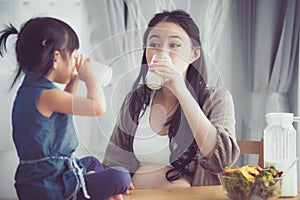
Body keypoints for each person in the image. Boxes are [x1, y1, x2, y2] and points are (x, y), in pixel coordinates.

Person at [103, 10, 240, 189]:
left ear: (194, 54)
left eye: (174, 45)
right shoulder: (136, 101)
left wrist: (181, 90)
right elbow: (113, 162)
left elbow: (221, 160)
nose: (162, 52)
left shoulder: (216, 98)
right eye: (154, 44)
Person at [0, 17, 131, 200]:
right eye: (73, 55)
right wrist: (92, 77)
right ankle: (97, 192)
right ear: (56, 58)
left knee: (91, 162)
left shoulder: (31, 91)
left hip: (40, 178)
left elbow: (66, 104)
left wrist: (74, 80)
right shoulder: (47, 95)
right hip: (51, 185)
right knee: (121, 176)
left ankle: (97, 190)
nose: (75, 62)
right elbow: (97, 107)